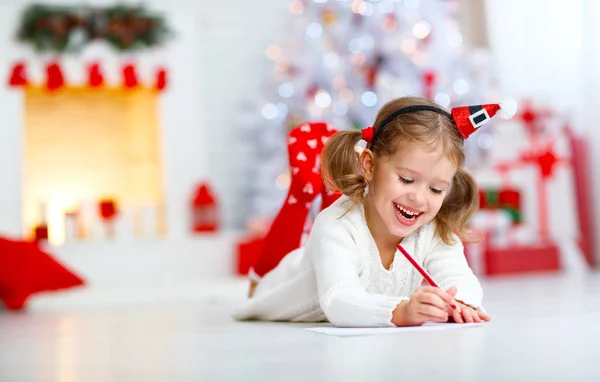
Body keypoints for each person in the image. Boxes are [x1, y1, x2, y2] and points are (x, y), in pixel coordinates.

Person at [234, 96, 516, 327]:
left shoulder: (436, 230)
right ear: (368, 165)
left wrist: (462, 302)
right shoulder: (335, 225)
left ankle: (322, 186)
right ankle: (303, 190)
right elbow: (338, 299)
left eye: (436, 189)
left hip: (339, 246)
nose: (418, 198)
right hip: (279, 285)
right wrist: (400, 312)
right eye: (406, 179)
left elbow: (459, 278)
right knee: (262, 284)